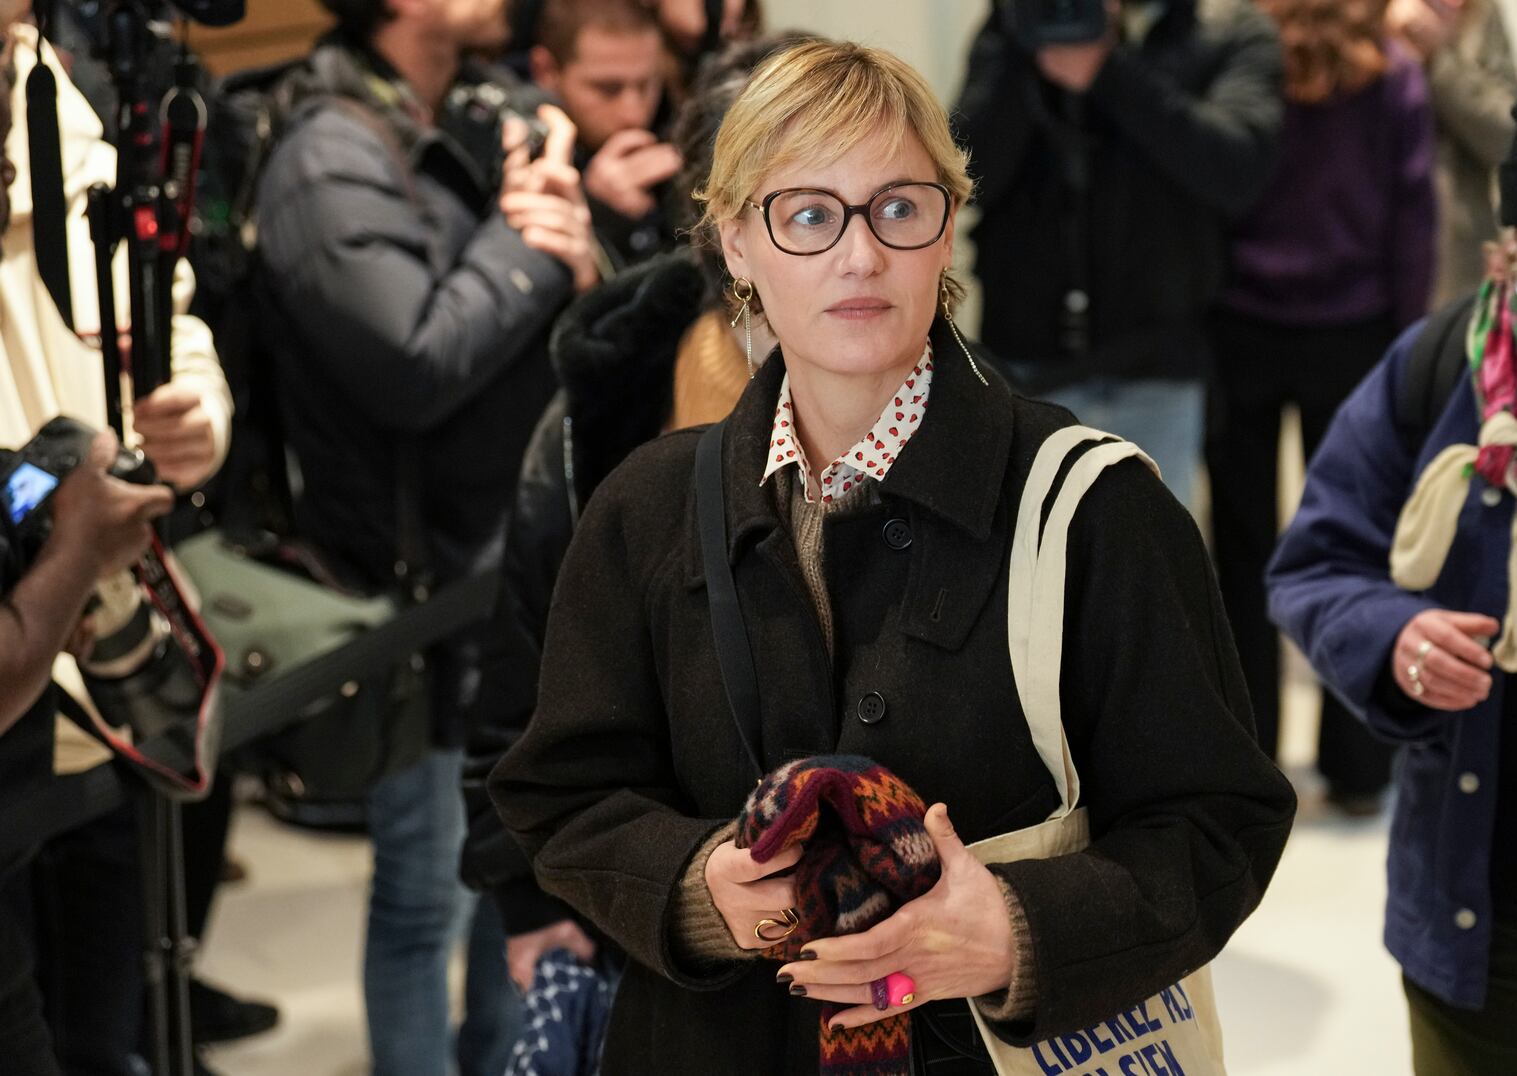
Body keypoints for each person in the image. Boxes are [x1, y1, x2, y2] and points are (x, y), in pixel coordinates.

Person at [489, 38, 1295, 1073]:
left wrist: (1015, 929)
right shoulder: (643, 508)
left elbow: (1218, 822)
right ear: (735, 242)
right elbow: (562, 794)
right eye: (808, 214)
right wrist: (697, 885)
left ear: (946, 227)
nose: (859, 255)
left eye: (898, 208)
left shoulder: (1097, 507)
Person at [254, 0, 594, 1071]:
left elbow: (551, 312)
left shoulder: (467, 108)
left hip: (505, 562)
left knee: (515, 886)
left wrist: (573, 242)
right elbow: (412, 362)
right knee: (423, 896)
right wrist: (529, 245)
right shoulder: (325, 149)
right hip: (415, 587)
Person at [1267, 52, 1517, 1073]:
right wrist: (1393, 637)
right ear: (1504, 251)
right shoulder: (1434, 369)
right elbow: (1314, 563)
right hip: (1477, 925)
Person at [460, 30, 794, 1012]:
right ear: (715, 220)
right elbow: (524, 680)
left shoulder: (963, 407)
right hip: (654, 899)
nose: (835, 241)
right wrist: (525, 893)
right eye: (777, 201)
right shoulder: (604, 407)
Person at [0, 16, 236, 1073]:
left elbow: (156, 301)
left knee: (103, 1014)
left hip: (93, 646)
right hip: (30, 617)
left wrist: (194, 408)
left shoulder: (44, 82)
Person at [1205, 0, 1436, 814]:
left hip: (1241, 324)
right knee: (1358, 541)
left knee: (1240, 547)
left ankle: (1251, 756)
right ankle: (1360, 767)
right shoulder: (1393, 74)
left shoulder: (1241, 60)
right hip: (1356, 327)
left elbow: (1214, 192)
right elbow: (1413, 213)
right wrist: (1410, 347)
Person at [954, 0, 1283, 511]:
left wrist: (1111, 72)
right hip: (1026, 369)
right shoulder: (1018, 21)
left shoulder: (1222, 31)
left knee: (1148, 572)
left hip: (1158, 366)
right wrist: (1022, 47)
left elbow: (1237, 169)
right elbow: (964, 177)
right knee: (1031, 570)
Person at [1387, 0, 1517, 306]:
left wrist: (1439, 60)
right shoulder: (1359, 16)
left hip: (1459, 264)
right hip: (1370, 261)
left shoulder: (1480, 14)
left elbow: (1510, 135)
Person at [531, 0, 681, 274]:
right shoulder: (517, 156)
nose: (633, 113)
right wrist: (599, 217)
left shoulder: (677, 128)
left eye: (647, 85)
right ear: (546, 71)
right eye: (608, 89)